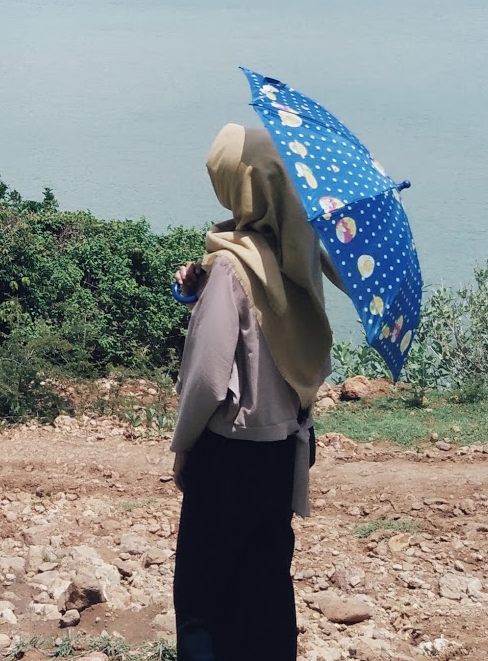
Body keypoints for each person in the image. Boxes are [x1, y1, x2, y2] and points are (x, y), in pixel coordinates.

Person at [169, 124, 340, 660]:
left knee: (201, 597)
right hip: (284, 451)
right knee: (265, 588)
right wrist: (199, 291)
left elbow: (205, 377)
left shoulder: (230, 266)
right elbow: (279, 334)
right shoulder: (298, 252)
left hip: (229, 455)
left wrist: (182, 450)